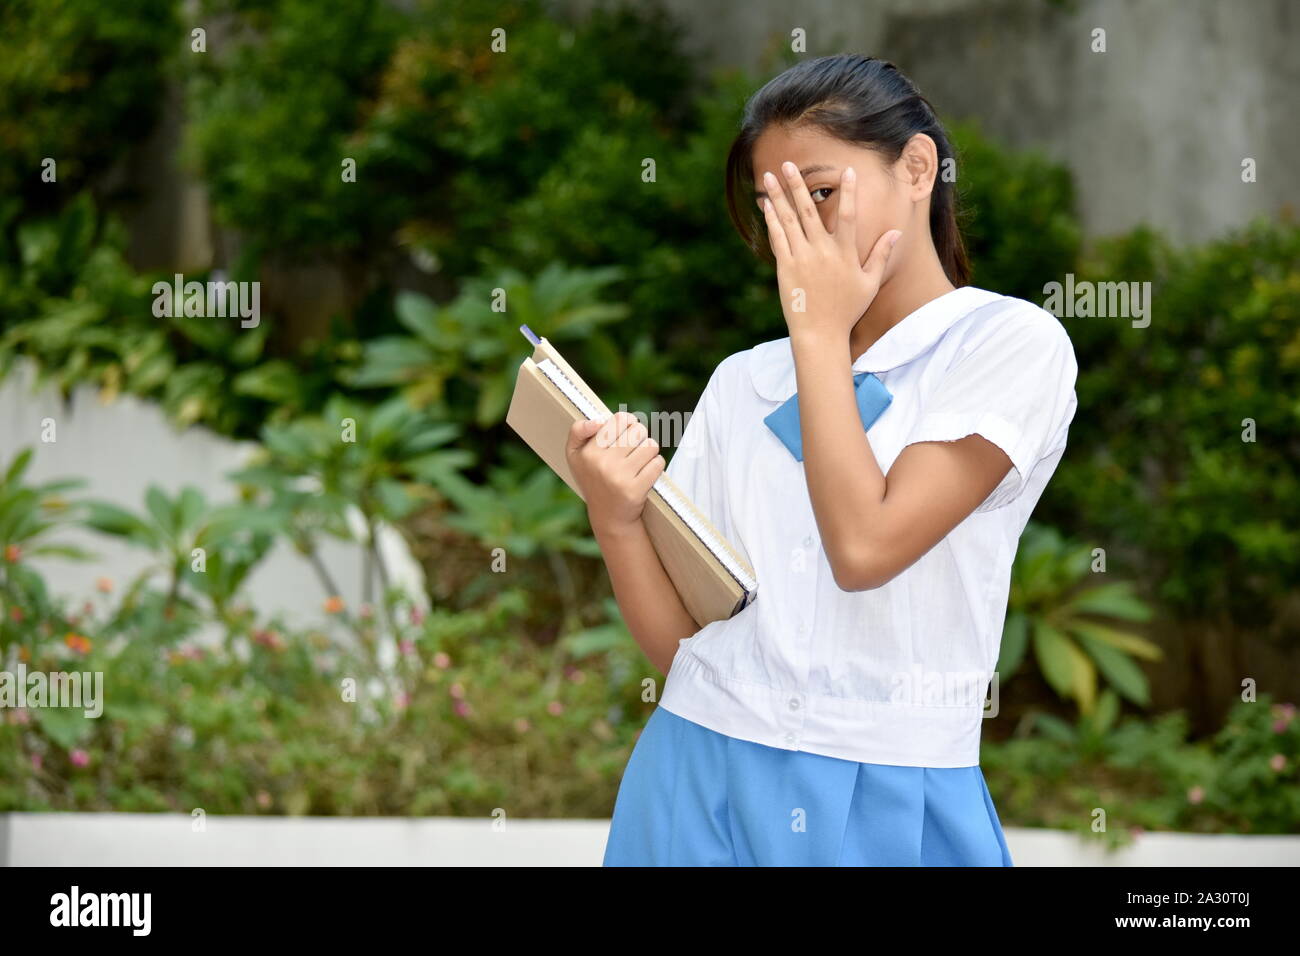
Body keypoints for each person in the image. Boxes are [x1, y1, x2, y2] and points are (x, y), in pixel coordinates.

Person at [568, 53, 1078, 866]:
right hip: (694, 780)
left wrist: (818, 332)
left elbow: (865, 547)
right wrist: (616, 519)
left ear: (917, 167)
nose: (800, 233)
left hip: (891, 795)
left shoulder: (1006, 345)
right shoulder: (745, 381)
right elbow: (692, 653)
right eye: (779, 212)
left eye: (823, 194)